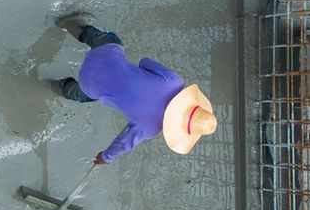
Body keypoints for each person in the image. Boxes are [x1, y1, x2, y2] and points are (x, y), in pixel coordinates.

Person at [50, 14, 216, 163]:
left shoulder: (174, 81)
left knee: (110, 40)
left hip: (104, 55)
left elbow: (145, 62)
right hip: (88, 83)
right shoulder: (150, 127)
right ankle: (56, 86)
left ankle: (72, 25)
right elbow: (123, 144)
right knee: (86, 94)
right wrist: (105, 157)